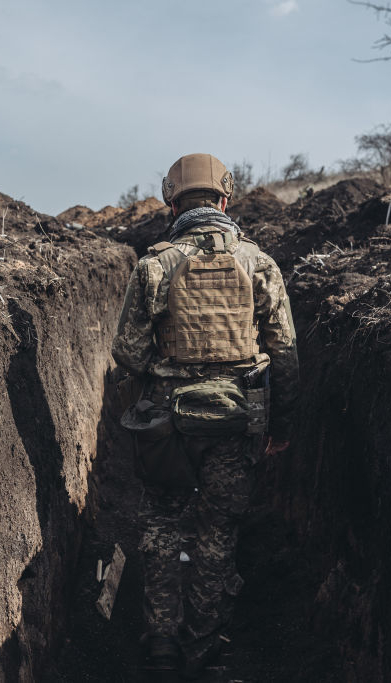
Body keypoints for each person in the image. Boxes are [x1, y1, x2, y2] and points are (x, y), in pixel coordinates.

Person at [112, 153, 299, 677]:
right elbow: (283, 352)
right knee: (218, 532)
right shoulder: (260, 264)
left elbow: (126, 351)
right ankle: (204, 645)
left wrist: (165, 370)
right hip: (237, 421)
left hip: (166, 424)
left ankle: (162, 642)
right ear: (225, 199)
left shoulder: (154, 264)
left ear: (172, 202)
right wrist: (281, 428)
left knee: (162, 524)